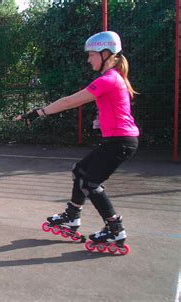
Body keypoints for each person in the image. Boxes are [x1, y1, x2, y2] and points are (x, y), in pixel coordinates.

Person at [16, 31, 138, 255]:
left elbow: (71, 101)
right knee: (80, 172)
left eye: (91, 55)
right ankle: (72, 217)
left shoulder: (108, 79)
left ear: (105, 53)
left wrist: (38, 112)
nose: (88, 59)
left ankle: (115, 229)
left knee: (90, 184)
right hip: (117, 140)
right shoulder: (114, 79)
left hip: (120, 141)